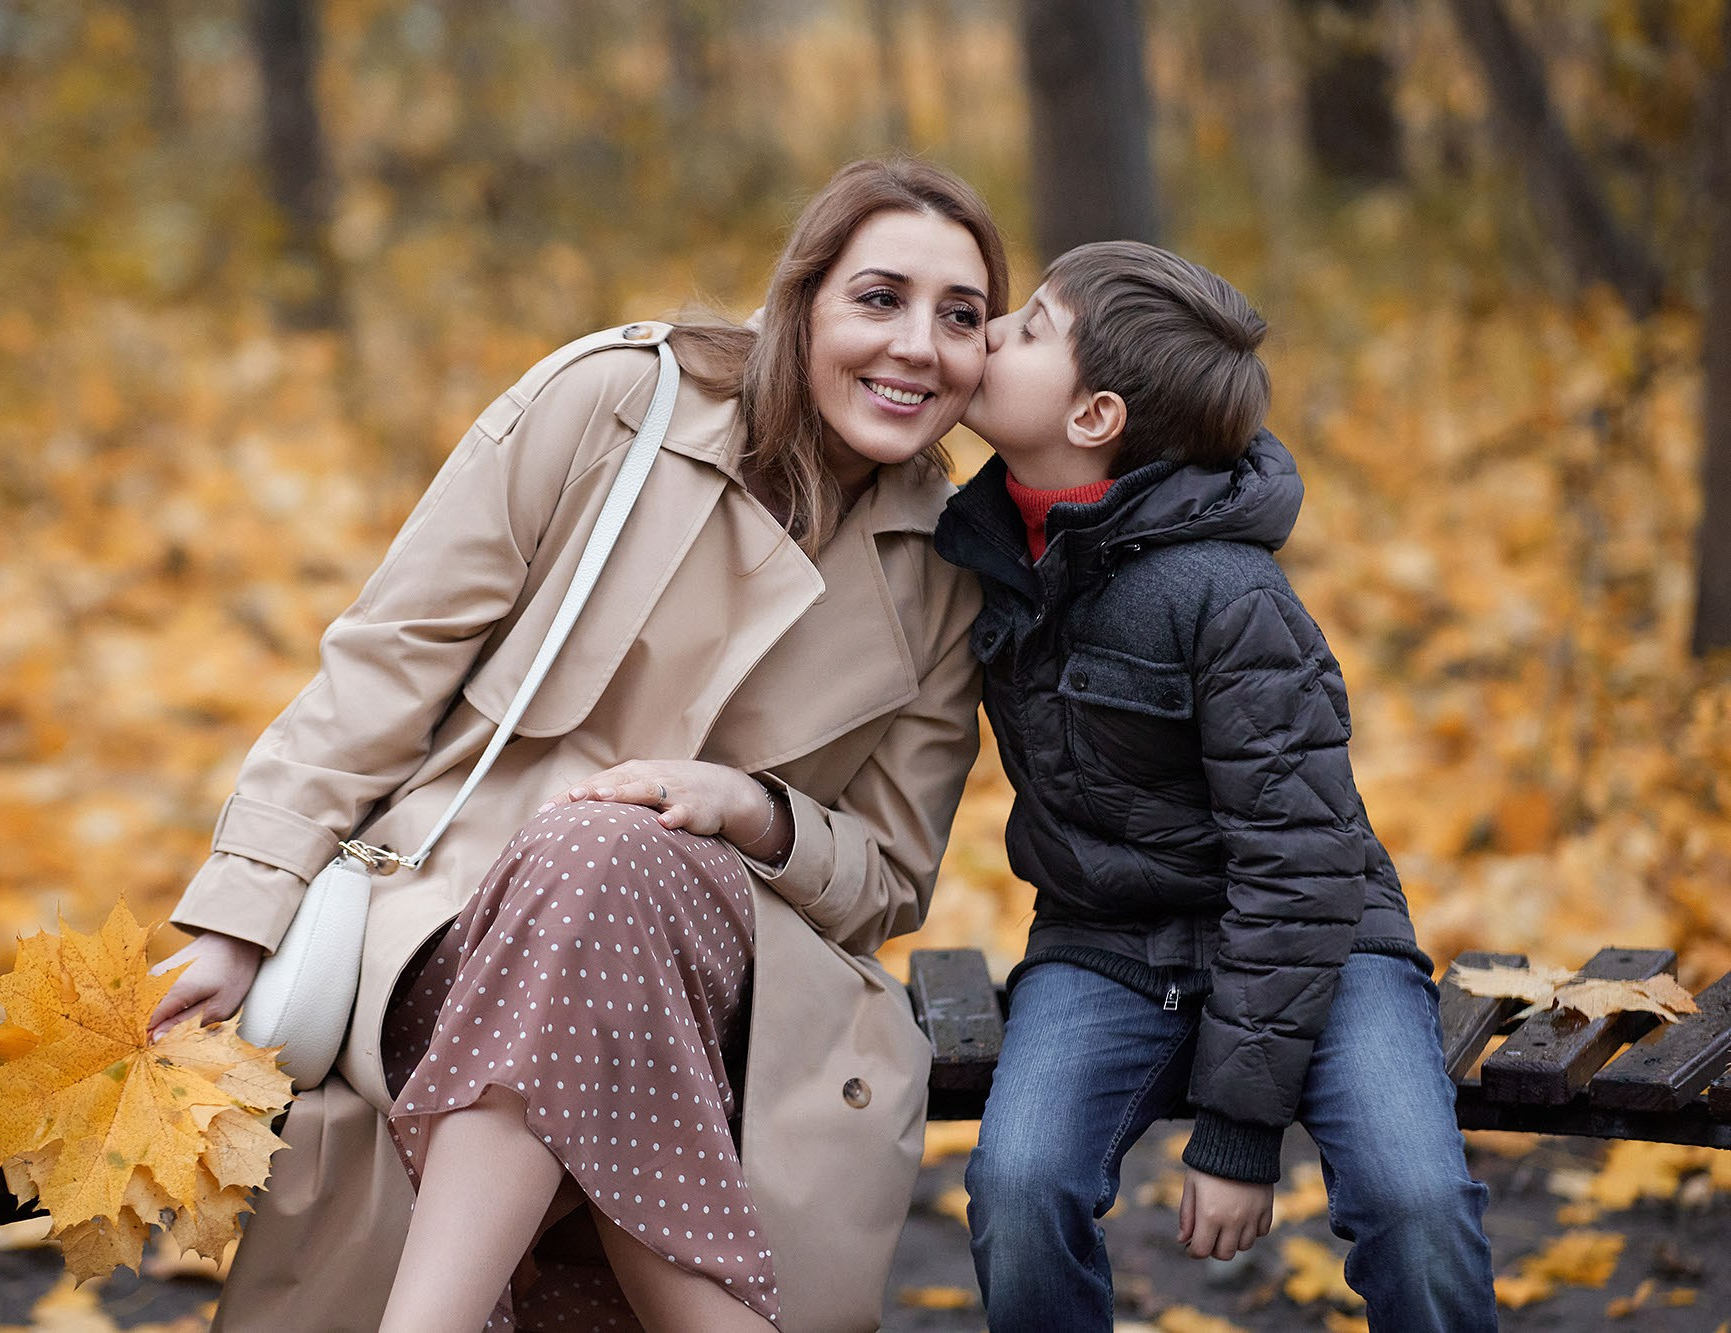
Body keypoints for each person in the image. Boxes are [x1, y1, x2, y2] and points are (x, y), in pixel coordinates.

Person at [143, 157, 1009, 1332]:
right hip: (456, 930)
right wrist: (239, 909)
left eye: (960, 317)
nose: (917, 345)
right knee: (589, 861)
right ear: (798, 299)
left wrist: (749, 808)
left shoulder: (948, 568)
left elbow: (890, 877)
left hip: (739, 988)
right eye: (877, 298)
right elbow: (386, 664)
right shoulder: (610, 403)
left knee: (609, 858)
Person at [933, 241, 1496, 1331]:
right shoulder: (985, 550)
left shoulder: (1227, 596)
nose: (992, 330)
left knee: (1415, 1200)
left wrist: (1238, 1135)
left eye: (1030, 326)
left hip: (1320, 943)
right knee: (1017, 1186)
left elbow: (1299, 863)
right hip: (1104, 941)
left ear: (1092, 418)